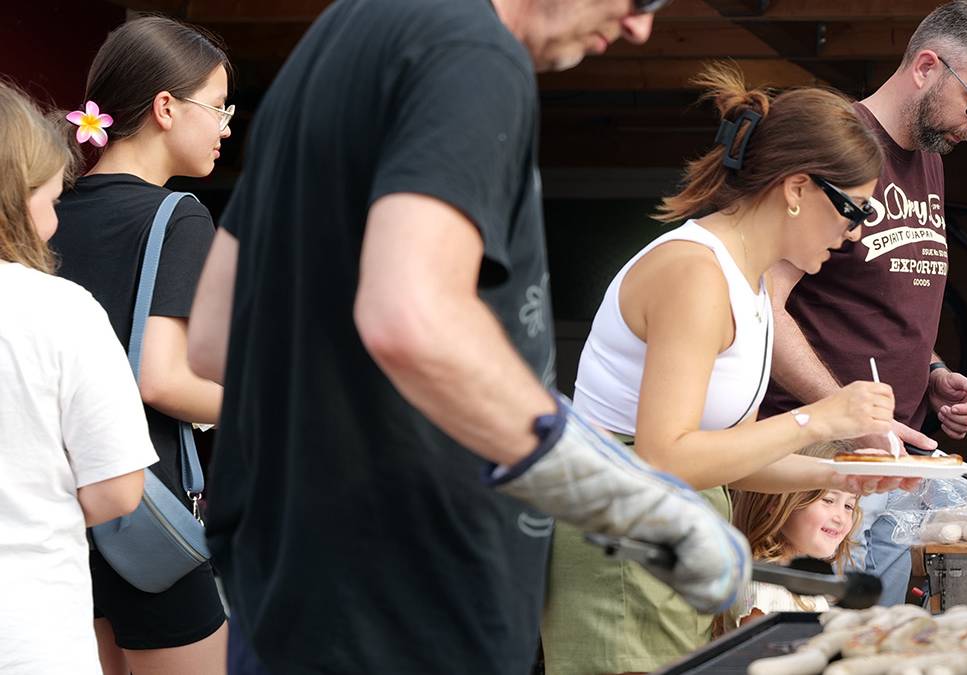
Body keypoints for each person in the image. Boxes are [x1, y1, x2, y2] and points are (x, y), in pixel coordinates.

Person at [183, 0, 749, 673]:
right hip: (410, 606)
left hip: (293, 597)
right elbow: (412, 316)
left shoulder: (337, 38)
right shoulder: (473, 53)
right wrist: (621, 498)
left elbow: (216, 335)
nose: (640, 28)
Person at [544, 63, 920, 674]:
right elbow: (666, 459)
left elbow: (722, 458)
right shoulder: (694, 273)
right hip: (624, 550)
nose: (855, 235)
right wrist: (817, 418)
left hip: (671, 543)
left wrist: (842, 474)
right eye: (854, 211)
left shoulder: (748, 283)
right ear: (798, 189)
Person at [760, 0, 967, 606]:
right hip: (806, 466)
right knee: (796, 638)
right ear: (927, 66)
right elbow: (760, 307)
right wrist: (843, 413)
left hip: (891, 457)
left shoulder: (930, 156)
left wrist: (931, 373)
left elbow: (886, 292)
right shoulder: (839, 148)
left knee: (868, 644)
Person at [48, 16, 233, 674]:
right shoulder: (177, 215)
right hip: (144, 512)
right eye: (217, 107)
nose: (225, 127)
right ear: (165, 108)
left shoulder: (49, 209)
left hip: (64, 516)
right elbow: (161, 379)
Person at [0, 81, 157, 675]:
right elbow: (118, 488)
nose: (55, 216)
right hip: (28, 633)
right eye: (51, 197)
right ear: (16, 196)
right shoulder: (61, 310)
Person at [727, 442, 863, 629]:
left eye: (849, 506)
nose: (841, 518)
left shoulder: (806, 582)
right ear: (776, 502)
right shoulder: (764, 590)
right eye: (828, 500)